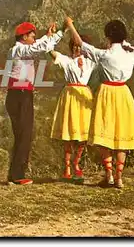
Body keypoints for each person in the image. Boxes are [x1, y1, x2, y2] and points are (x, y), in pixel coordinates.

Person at [67, 17, 134, 189]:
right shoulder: (129, 55)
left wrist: (70, 25)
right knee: (121, 135)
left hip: (106, 93)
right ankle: (119, 177)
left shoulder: (104, 55)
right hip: (123, 93)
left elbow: (79, 42)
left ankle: (109, 174)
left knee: (105, 135)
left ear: (108, 37)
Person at [5, 20, 66, 185]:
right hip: (20, 94)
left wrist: (58, 33)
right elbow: (40, 47)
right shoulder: (19, 49)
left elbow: (40, 44)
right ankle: (18, 175)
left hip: (20, 94)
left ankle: (15, 173)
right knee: (24, 134)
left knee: (22, 135)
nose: (34, 38)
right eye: (32, 36)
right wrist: (51, 36)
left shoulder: (21, 49)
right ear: (24, 37)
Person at [49, 35, 96, 183]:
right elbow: (52, 52)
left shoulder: (90, 62)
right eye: (74, 46)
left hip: (84, 95)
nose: (77, 48)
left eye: (79, 46)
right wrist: (51, 39)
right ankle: (67, 167)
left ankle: (76, 163)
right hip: (70, 95)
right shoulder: (67, 61)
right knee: (69, 132)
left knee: (83, 133)